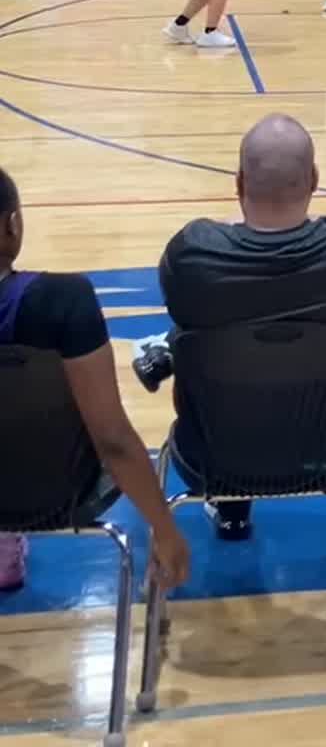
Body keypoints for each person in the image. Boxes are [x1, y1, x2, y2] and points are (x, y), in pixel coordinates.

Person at [154, 115, 326, 541]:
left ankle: (231, 506)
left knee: (199, 343)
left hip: (212, 458)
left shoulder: (193, 259)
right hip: (324, 454)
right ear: (315, 178)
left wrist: (239, 230)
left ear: (239, 183)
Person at [0, 168, 189, 593]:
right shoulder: (63, 302)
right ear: (12, 224)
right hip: (58, 493)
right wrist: (165, 529)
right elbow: (113, 440)